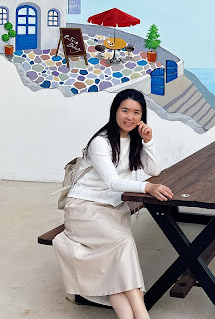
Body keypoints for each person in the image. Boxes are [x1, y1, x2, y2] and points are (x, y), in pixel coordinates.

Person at [53, 88, 173, 319]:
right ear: (115, 111)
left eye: (136, 112)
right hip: (85, 210)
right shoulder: (101, 142)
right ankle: (143, 316)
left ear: (142, 116)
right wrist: (147, 188)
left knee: (116, 269)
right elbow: (112, 182)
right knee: (123, 245)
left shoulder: (134, 140)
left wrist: (148, 141)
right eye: (125, 110)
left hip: (112, 212)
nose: (130, 117)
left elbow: (154, 170)